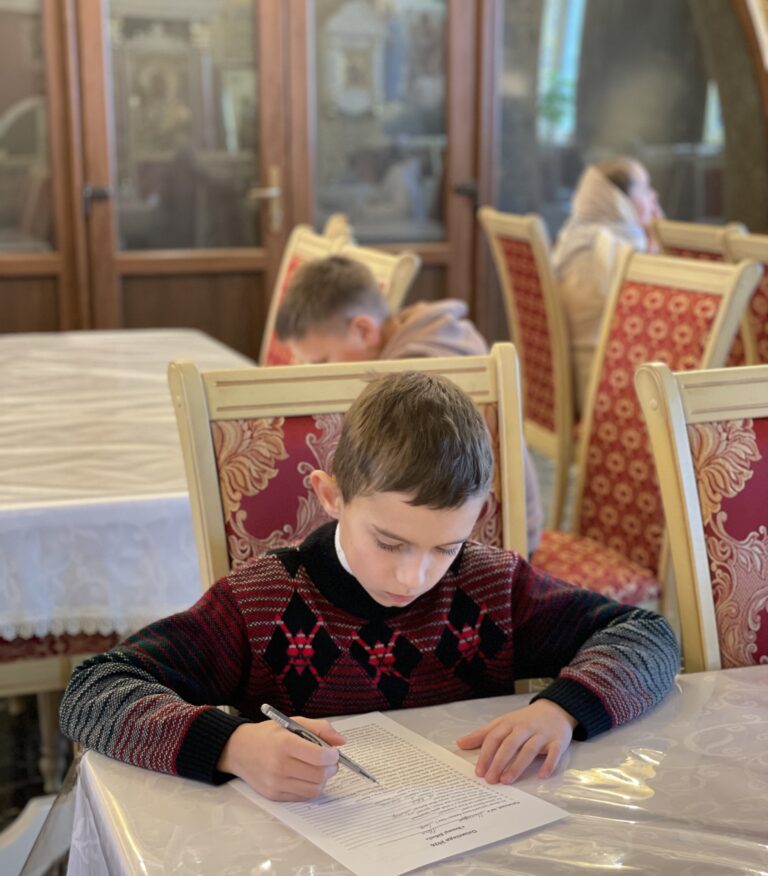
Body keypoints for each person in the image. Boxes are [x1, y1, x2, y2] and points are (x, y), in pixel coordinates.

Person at [60, 372, 679, 803]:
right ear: (332, 496)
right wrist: (234, 747)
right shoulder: (260, 604)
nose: (415, 577)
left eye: (446, 546)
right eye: (389, 542)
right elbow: (92, 693)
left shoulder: (492, 586)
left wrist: (561, 709)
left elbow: (647, 634)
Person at [275, 254, 544, 555]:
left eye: (321, 362)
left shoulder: (413, 380)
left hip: (483, 546)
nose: (315, 376)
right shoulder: (430, 328)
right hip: (490, 528)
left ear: (364, 330)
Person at [552, 156, 663, 415]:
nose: (654, 197)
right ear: (618, 199)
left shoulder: (572, 236)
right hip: (603, 390)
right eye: (645, 188)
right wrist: (660, 235)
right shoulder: (617, 249)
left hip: (569, 382)